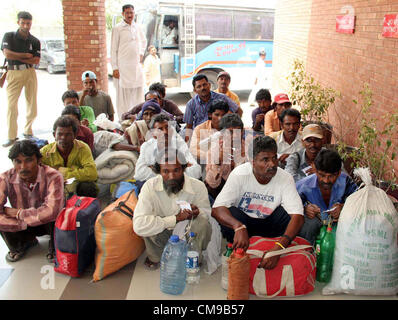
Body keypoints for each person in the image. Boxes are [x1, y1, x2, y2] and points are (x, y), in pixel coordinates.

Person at [211, 136, 304, 269]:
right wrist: (238, 227)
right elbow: (216, 209)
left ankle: (272, 246)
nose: (272, 164)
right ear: (252, 161)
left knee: (289, 216)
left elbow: (298, 217)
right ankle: (239, 248)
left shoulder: (285, 178)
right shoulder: (239, 174)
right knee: (229, 212)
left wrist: (280, 247)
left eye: (274, 158)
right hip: (245, 226)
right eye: (265, 159)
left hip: (270, 226)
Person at [133, 148, 212, 270]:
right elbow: (138, 225)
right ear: (158, 171)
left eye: (176, 170)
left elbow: (208, 215)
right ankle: (156, 256)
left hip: (189, 235)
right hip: (162, 235)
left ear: (184, 168)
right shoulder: (150, 187)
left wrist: (198, 212)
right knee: (148, 222)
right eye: (165, 171)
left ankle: (192, 257)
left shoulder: (198, 186)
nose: (172, 176)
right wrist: (175, 219)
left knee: (202, 221)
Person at [0, 140, 64, 262]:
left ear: (38, 160)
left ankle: (55, 246)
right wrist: (21, 222)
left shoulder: (54, 176)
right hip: (22, 223)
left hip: (48, 224)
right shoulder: (5, 177)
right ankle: (22, 244)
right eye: (18, 162)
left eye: (29, 160)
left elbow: (52, 211)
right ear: (12, 162)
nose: (23, 167)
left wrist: (19, 213)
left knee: (58, 214)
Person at [296, 149, 357, 244]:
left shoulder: (346, 182)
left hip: (338, 229)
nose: (326, 180)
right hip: (312, 230)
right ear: (315, 170)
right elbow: (289, 207)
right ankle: (306, 252)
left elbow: (358, 201)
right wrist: (304, 208)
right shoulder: (303, 186)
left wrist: (343, 207)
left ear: (339, 173)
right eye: (322, 175)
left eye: (331, 176)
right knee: (309, 224)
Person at [1, 11, 41, 147]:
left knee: (32, 104)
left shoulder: (34, 40)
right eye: (23, 22)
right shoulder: (9, 36)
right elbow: (7, 54)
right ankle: (11, 136)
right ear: (18, 22)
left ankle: (28, 131)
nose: (25, 25)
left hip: (30, 72)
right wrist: (25, 55)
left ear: (31, 23)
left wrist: (21, 57)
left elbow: (36, 59)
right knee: (12, 106)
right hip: (13, 73)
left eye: (28, 23)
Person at [134, 114, 201, 183]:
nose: (165, 132)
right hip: (156, 185)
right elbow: (139, 173)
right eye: (160, 129)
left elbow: (196, 171)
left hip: (179, 184)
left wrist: (155, 169)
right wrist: (180, 169)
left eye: (167, 127)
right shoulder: (146, 146)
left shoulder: (179, 144)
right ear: (153, 134)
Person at [40, 116, 98, 197]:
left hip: (76, 184)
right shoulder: (45, 152)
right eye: (60, 134)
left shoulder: (83, 148)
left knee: (89, 187)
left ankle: (85, 208)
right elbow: (38, 175)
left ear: (75, 135)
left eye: (68, 134)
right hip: (53, 185)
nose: (63, 138)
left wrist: (62, 171)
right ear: (54, 135)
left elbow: (92, 174)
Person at [111, 4, 147, 119]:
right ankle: (124, 120)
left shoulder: (138, 27)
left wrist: (141, 53)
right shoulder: (118, 28)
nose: (130, 15)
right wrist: (115, 68)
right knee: (123, 99)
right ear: (123, 14)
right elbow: (113, 49)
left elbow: (144, 41)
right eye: (127, 13)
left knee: (138, 96)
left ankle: (138, 119)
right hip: (123, 68)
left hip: (136, 67)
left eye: (131, 12)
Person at [205, 114, 253, 201]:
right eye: (230, 132)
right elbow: (212, 184)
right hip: (219, 194)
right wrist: (219, 161)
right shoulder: (215, 149)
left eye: (238, 131)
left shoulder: (248, 148)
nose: (235, 136)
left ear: (243, 132)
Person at [183, 74, 241, 142]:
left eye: (204, 84)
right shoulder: (191, 104)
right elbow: (189, 127)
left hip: (221, 134)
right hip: (201, 136)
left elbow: (239, 111)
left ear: (209, 85)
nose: (203, 88)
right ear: (195, 90)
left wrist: (232, 127)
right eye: (199, 86)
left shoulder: (222, 97)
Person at [189, 99, 229, 163]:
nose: (220, 118)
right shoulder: (200, 128)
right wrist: (212, 156)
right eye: (217, 115)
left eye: (223, 115)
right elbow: (193, 150)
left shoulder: (230, 127)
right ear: (210, 115)